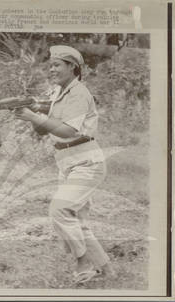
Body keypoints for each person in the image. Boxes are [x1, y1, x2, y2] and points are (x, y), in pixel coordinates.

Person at [14, 45, 115, 283]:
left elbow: (69, 131)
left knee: (59, 210)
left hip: (86, 161)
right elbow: (42, 130)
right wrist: (32, 112)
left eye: (57, 65)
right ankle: (108, 272)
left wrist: (34, 115)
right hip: (67, 162)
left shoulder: (79, 93)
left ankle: (83, 264)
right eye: (50, 65)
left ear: (73, 67)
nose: (52, 70)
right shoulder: (58, 93)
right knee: (76, 220)